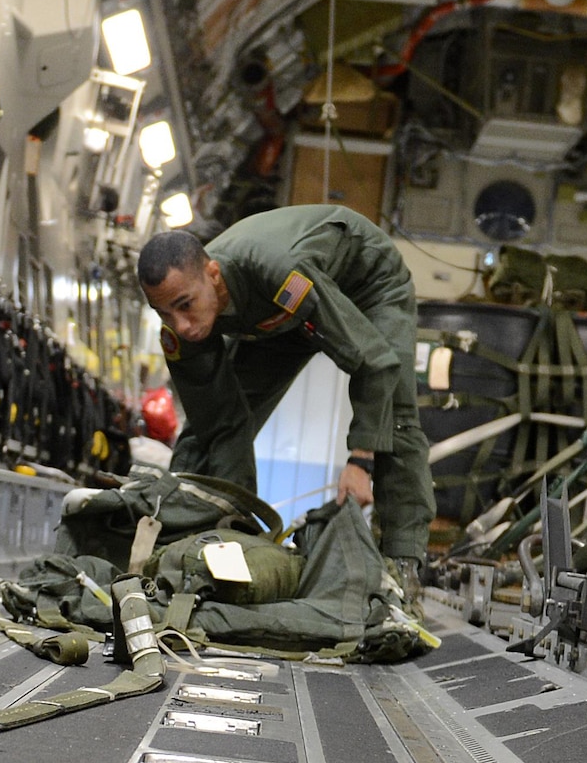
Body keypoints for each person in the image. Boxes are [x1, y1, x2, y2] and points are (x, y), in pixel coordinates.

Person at [136, 204, 432, 593]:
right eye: (164, 313)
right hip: (279, 320)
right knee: (207, 431)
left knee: (394, 416)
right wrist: (229, 520)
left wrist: (361, 460)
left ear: (213, 274)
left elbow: (374, 362)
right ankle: (199, 540)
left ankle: (402, 566)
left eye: (186, 305)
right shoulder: (183, 328)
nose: (182, 325)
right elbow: (219, 424)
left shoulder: (278, 271)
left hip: (365, 285)